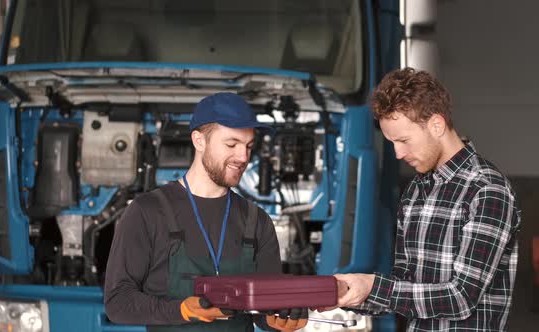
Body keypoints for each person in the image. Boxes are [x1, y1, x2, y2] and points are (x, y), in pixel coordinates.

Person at [328, 68, 521, 331]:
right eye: (392, 142)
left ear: (437, 125)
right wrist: (349, 292)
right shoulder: (416, 190)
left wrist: (373, 285)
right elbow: (404, 286)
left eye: (404, 140)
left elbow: (461, 298)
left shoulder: (487, 190)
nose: (397, 153)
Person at [104, 92, 308, 332]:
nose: (243, 157)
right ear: (199, 141)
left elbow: (264, 311)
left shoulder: (257, 221)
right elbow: (118, 303)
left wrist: (281, 317)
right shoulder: (148, 212)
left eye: (249, 146)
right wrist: (181, 310)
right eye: (231, 144)